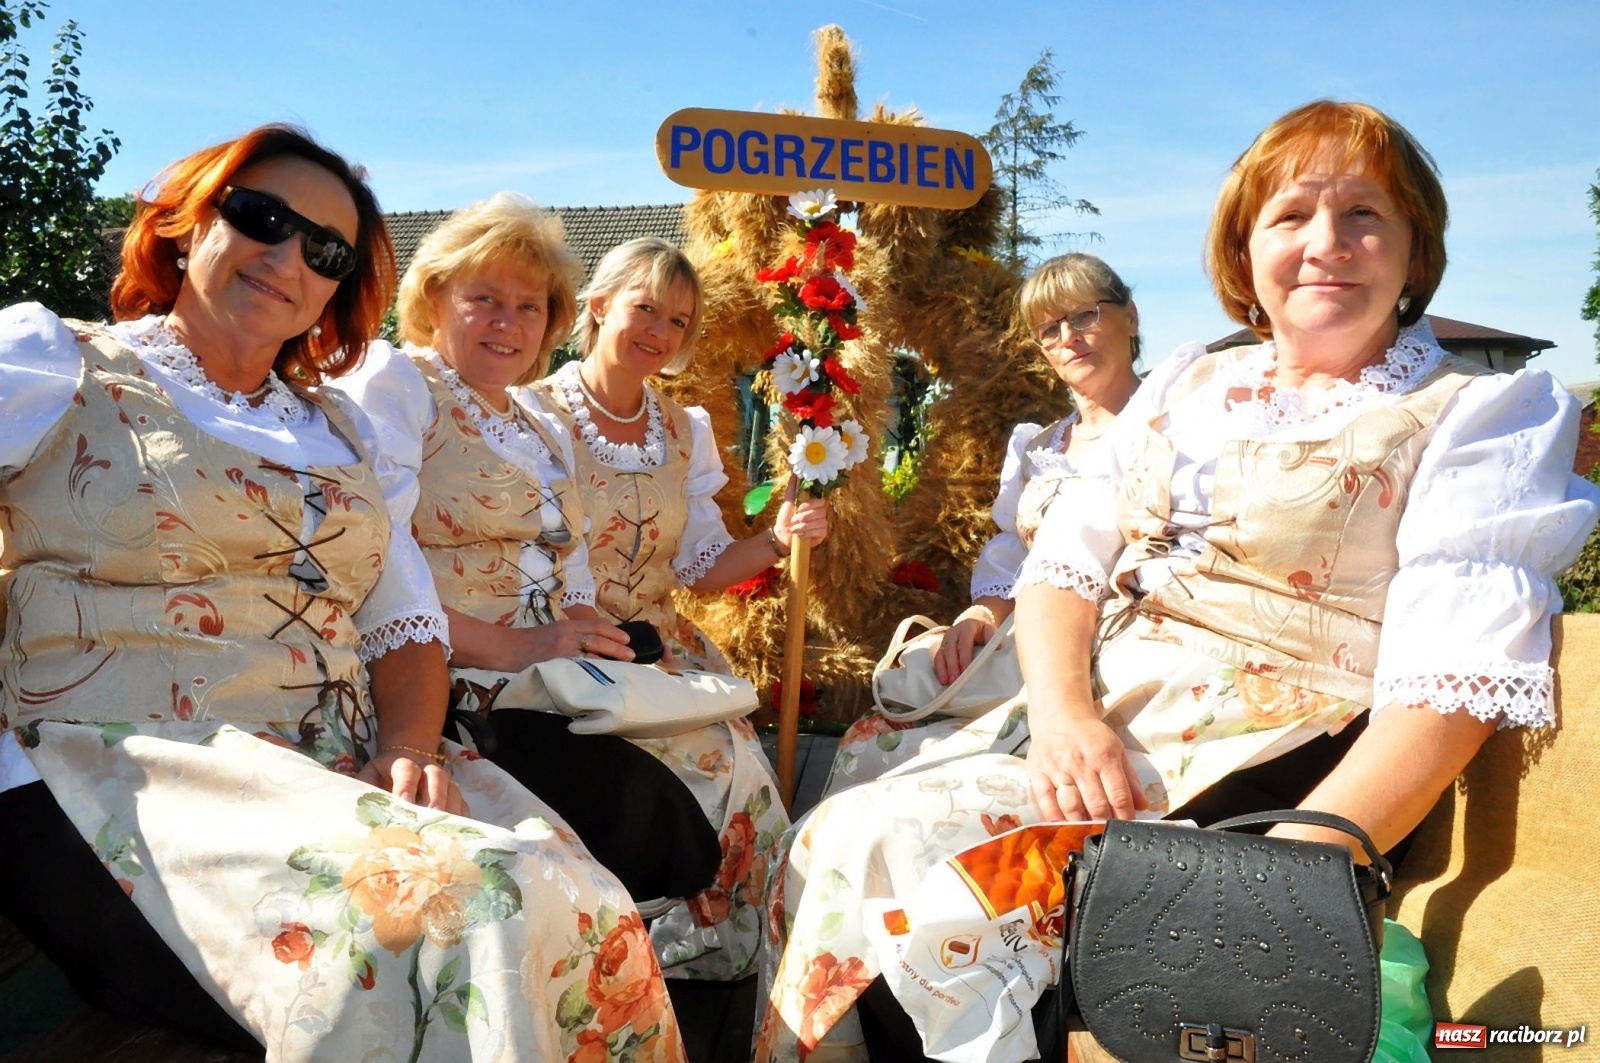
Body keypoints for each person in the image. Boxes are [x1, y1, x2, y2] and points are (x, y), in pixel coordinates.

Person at [754, 100, 1600, 1063]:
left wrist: (1300, 869)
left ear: (1416, 253)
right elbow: (1066, 564)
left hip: (1268, 764)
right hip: (1094, 723)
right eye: (1291, 216)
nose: (1328, 243)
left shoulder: (1478, 412)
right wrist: (1067, 712)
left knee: (885, 846)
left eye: (1365, 214)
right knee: (831, 832)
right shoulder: (1190, 386)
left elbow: (1448, 682)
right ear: (1245, 256)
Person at [0, 128, 686, 1063]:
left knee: (579, 895)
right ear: (189, 220)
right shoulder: (53, 362)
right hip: (123, 769)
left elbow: (402, 627)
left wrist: (408, 747)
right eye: (261, 217)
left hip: (340, 758)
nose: (288, 257)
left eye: (325, 251)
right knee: (480, 910)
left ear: (336, 289)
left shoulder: (336, 428)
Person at [333, 192, 723, 919]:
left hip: (541, 677)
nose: (508, 323)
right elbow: (376, 572)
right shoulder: (399, 384)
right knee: (655, 819)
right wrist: (516, 646)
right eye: (484, 299)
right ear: (434, 296)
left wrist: (587, 644)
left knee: (707, 760)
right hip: (445, 681)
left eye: (530, 306)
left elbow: (571, 574)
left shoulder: (537, 417)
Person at [534, 237, 827, 983]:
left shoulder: (683, 429)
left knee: (743, 774)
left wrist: (773, 539)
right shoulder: (534, 415)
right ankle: (617, 951)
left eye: (677, 321)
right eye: (645, 309)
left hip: (661, 651)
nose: (659, 332)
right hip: (560, 652)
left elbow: (700, 565)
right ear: (598, 306)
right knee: (703, 765)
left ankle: (731, 960)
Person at [823, 253, 1143, 796]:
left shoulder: (1169, 421)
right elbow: (1011, 559)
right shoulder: (1039, 448)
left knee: (922, 780)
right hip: (1031, 650)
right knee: (868, 740)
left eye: (1085, 315)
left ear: (1130, 317)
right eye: (1049, 328)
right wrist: (980, 612)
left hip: (1117, 653)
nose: (1069, 337)